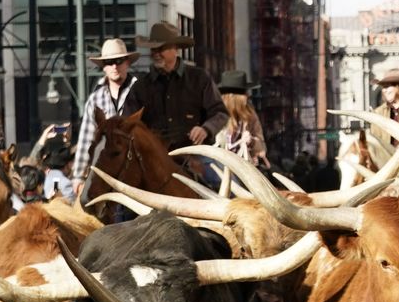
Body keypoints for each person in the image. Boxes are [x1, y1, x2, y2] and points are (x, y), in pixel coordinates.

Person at [136, 21, 227, 161]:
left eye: (161, 48)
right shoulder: (140, 86)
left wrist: (205, 129)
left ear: (175, 49)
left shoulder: (199, 78)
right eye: (153, 49)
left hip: (197, 154)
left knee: (223, 180)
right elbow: (130, 122)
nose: (156, 53)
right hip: (155, 159)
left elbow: (220, 113)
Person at [71, 38, 142, 188]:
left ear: (127, 62)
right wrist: (78, 176)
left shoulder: (142, 90)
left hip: (139, 166)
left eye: (119, 60)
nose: (115, 66)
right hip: (108, 171)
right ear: (104, 67)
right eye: (109, 62)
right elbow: (86, 138)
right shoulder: (95, 99)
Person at [213, 70, 268, 168]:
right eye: (245, 93)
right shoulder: (214, 114)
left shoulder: (250, 115)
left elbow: (262, 147)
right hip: (217, 168)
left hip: (243, 169)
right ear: (235, 97)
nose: (248, 95)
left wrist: (252, 142)